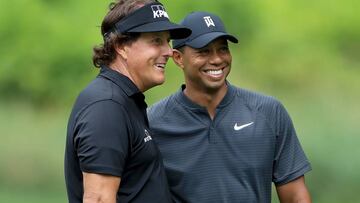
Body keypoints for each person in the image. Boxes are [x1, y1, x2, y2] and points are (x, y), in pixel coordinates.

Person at [148, 11, 312, 203]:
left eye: (223, 49)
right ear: (178, 58)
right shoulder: (153, 122)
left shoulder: (268, 112)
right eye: (204, 51)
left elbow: (295, 197)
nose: (217, 59)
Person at [64, 0, 191, 202]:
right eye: (156, 40)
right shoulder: (106, 106)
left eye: (167, 41)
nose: (168, 51)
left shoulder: (123, 100)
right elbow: (98, 198)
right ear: (121, 46)